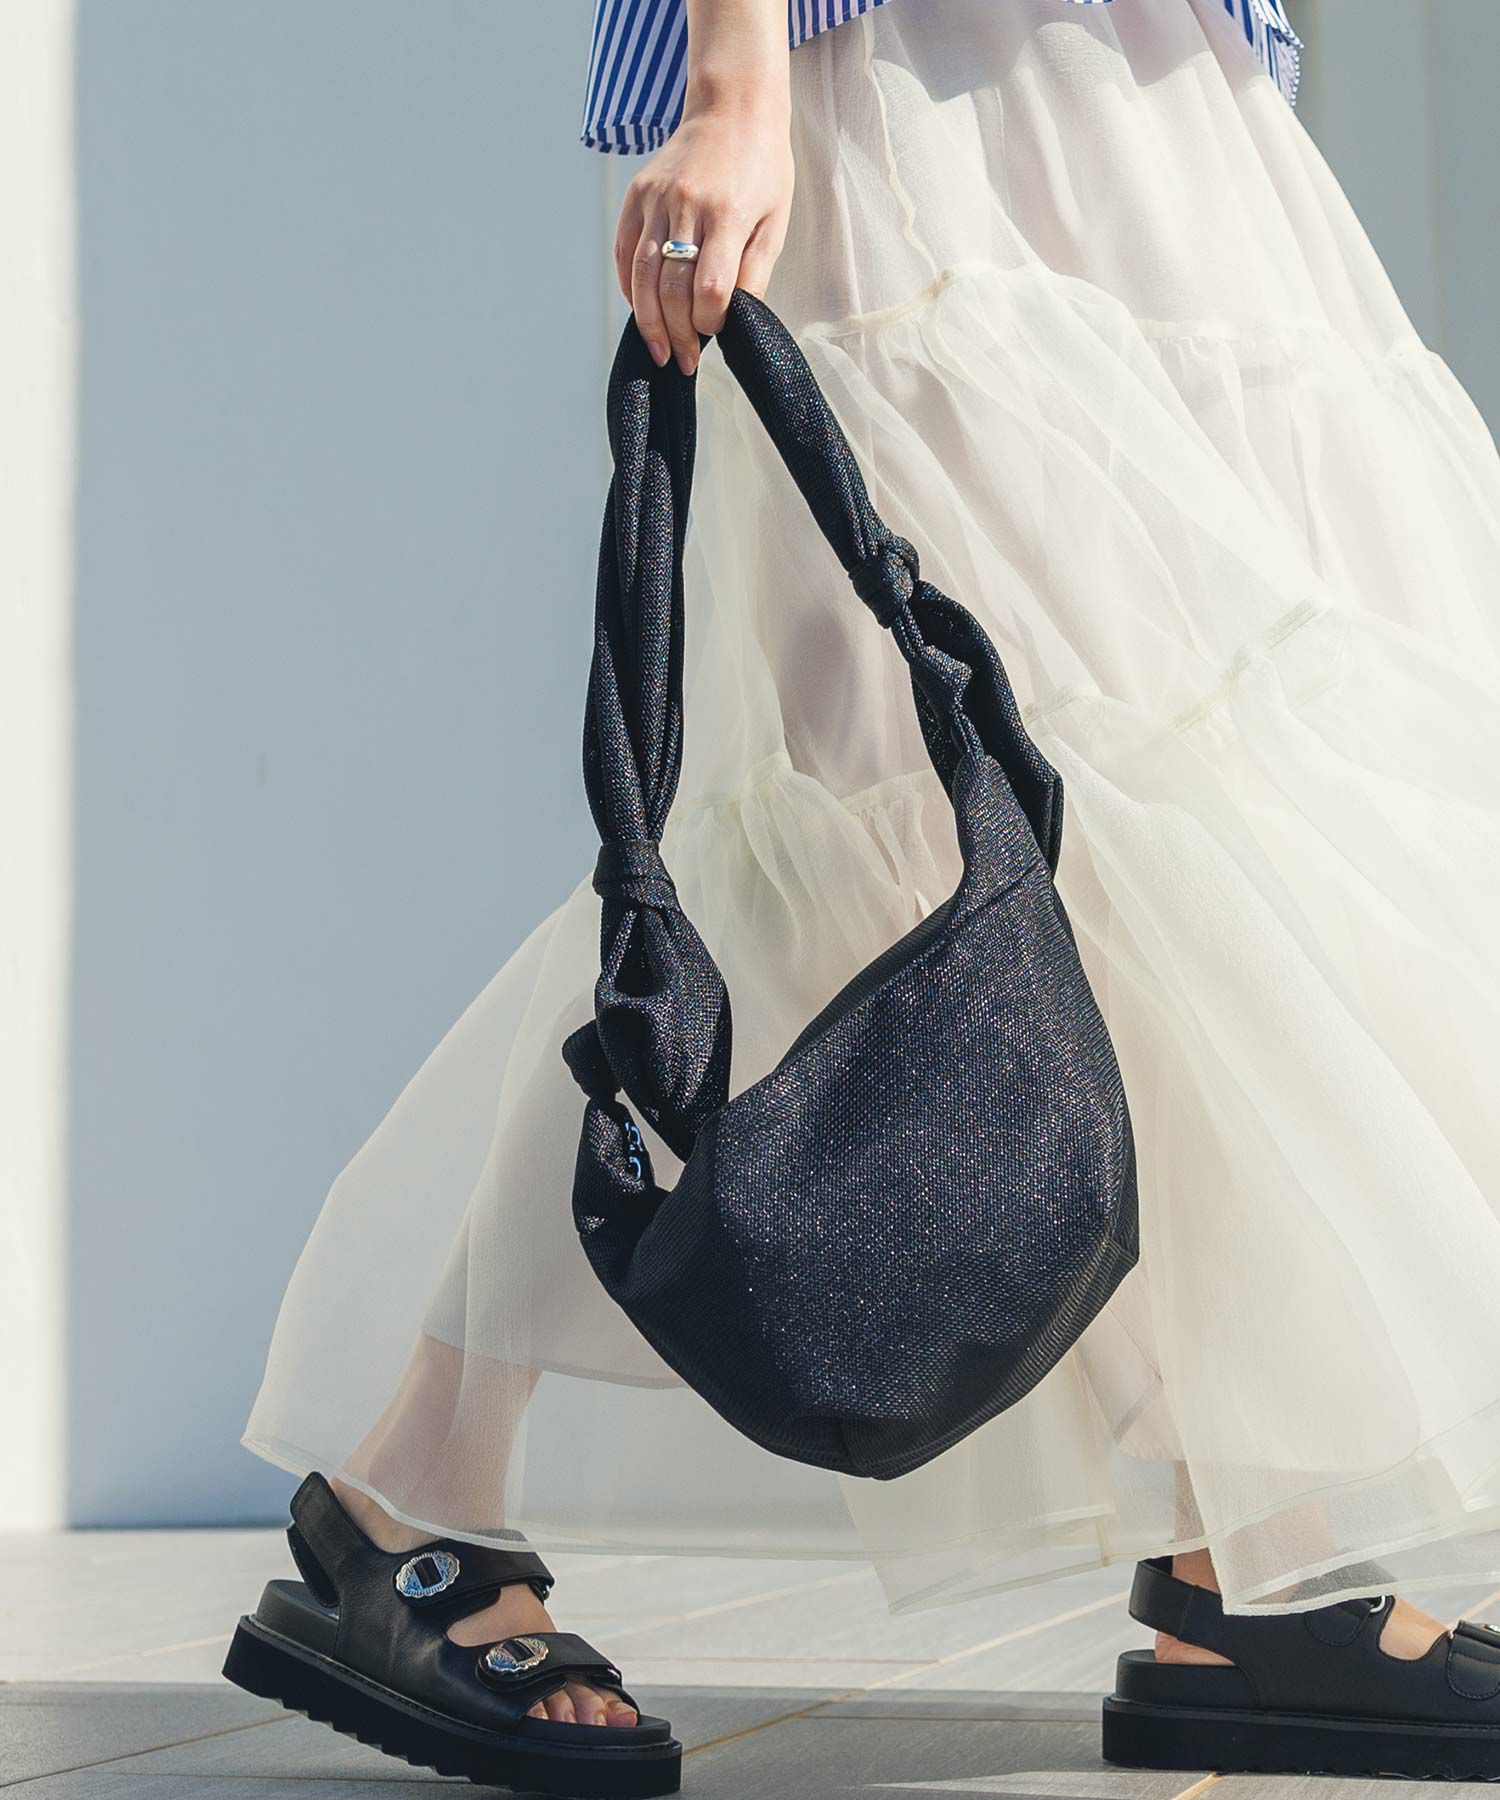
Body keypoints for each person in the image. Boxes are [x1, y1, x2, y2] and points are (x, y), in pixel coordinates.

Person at [226, 0, 1500, 1790]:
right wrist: (735, 83)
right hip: (903, 82)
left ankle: (1249, 1550)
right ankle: (407, 1488)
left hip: (1160, 85)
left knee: (1174, 789)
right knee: (895, 818)